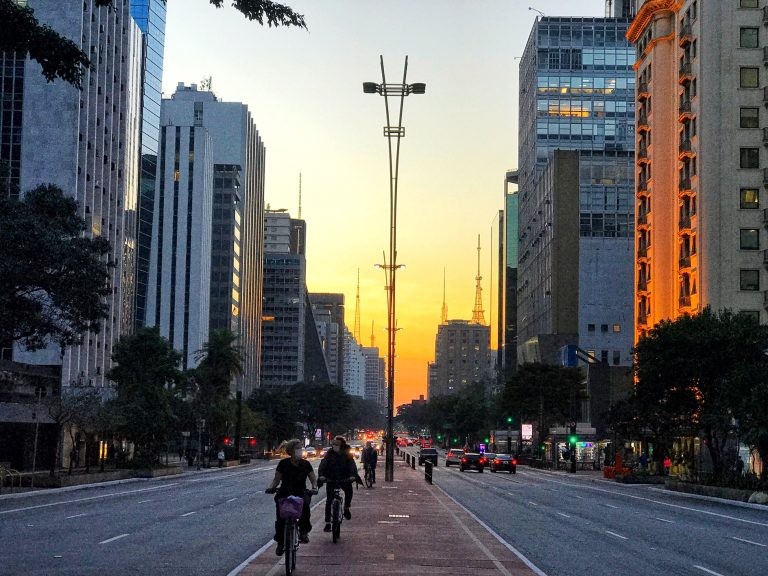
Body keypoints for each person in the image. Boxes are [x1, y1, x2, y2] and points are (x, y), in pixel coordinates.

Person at [265, 439, 318, 556]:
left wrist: (314, 487)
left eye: (301, 448)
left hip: (300, 492)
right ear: (292, 451)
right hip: (285, 492)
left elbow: (313, 478)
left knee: (305, 507)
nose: (301, 450)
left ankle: (303, 532)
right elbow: (276, 480)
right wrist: (271, 487)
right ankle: (280, 542)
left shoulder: (306, 464)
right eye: (298, 448)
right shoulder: (283, 464)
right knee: (280, 517)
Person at [318, 435, 357, 531]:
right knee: (329, 500)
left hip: (344, 477)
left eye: (337, 444)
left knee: (349, 491)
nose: (335, 446)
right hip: (331, 478)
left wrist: (352, 476)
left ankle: (346, 508)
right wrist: (322, 475)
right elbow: (323, 464)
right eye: (334, 444)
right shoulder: (330, 453)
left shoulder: (347, 453)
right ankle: (327, 523)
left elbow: (352, 465)